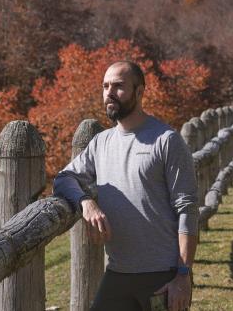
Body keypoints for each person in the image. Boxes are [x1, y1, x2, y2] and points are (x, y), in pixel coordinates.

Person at [53, 61, 198, 311]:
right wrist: (86, 203)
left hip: (162, 276)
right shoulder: (101, 142)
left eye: (118, 86)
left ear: (139, 91)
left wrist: (183, 276)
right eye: (105, 86)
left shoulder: (166, 140)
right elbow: (63, 179)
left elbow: (187, 210)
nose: (109, 92)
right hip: (118, 273)